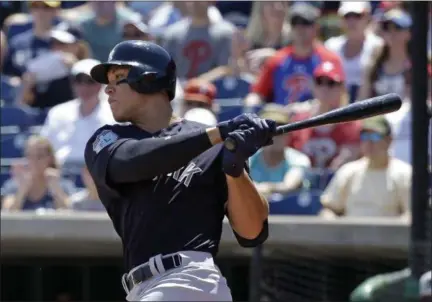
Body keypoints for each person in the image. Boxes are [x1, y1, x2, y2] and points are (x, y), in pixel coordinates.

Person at [85, 40, 275, 301]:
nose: (108, 89)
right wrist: (216, 134)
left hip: (190, 279)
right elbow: (135, 162)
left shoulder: (215, 144)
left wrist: (235, 169)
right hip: (144, 288)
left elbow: (252, 232)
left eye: (118, 78)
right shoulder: (108, 139)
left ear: (149, 80)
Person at [245, 2, 343, 107]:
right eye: (295, 23)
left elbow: (340, 98)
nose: (299, 28)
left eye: (305, 23)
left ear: (316, 27)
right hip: (282, 119)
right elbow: (257, 93)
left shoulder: (329, 59)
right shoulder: (277, 60)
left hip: (316, 119)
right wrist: (251, 104)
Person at [320, 116, 412, 218]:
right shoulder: (348, 171)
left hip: (387, 233)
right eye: (365, 136)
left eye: (374, 136)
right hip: (351, 233)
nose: (369, 142)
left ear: (389, 140)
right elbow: (329, 208)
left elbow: (411, 214)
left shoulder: (404, 173)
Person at [40, 58, 114, 166]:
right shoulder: (57, 112)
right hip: (61, 175)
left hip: (98, 174)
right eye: (79, 80)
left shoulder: (114, 113)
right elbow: (44, 148)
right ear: (72, 83)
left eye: (90, 81)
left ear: (101, 84)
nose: (84, 87)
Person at [288, 61, 360, 169]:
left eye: (331, 83)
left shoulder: (351, 123)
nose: (324, 88)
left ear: (342, 88)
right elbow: (290, 156)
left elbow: (348, 159)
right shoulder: (299, 119)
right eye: (319, 81)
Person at [324, 2, 383, 103]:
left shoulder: (378, 45)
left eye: (357, 16)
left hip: (369, 107)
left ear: (367, 18)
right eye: (347, 16)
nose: (352, 21)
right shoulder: (331, 46)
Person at [161, 1, 235, 79]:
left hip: (213, 88)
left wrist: (198, 82)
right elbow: (165, 67)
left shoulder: (225, 33)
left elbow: (226, 68)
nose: (195, 2)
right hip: (179, 88)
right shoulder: (173, 33)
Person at [1, 135, 77, 212]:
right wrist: (22, 190)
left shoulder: (63, 185)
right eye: (29, 155)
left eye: (40, 156)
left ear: (50, 158)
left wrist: (56, 190)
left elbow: (71, 214)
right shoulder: (14, 185)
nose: (34, 161)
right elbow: (7, 214)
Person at [249, 104, 311, 197]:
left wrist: (267, 188)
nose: (275, 135)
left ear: (289, 134)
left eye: (281, 129)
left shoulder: (299, 160)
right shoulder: (247, 159)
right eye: (269, 129)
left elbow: (289, 185)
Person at [358, 8, 412, 101]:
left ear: (409, 33)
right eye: (386, 28)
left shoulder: (418, 66)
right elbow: (362, 100)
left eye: (397, 28)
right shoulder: (373, 65)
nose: (391, 32)